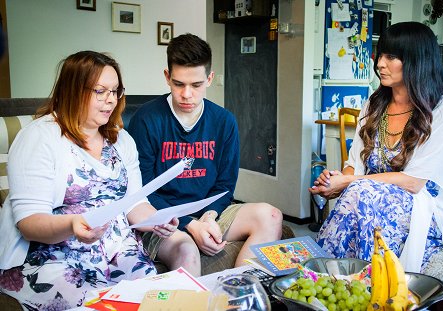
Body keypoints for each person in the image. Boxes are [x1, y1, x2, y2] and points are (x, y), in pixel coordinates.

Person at [0, 51, 178, 309]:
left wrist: (156, 219)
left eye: (115, 91)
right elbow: (29, 223)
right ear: (73, 90)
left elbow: (134, 204)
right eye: (100, 91)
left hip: (118, 250)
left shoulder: (122, 140)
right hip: (51, 257)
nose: (111, 100)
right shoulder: (38, 138)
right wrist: (74, 224)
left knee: (156, 301)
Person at [309, 22, 443, 273]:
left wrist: (351, 183)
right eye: (380, 54)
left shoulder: (441, 107)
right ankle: (336, 277)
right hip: (368, 201)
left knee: (363, 191)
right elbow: (355, 164)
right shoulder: (374, 104)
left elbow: (414, 182)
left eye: (391, 57)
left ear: (417, 60)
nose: (380, 63)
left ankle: (332, 275)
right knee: (362, 192)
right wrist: (337, 180)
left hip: (423, 206)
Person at [128, 33, 283, 277]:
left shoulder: (224, 121)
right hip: (165, 219)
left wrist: (209, 217)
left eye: (196, 85)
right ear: (167, 77)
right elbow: (143, 191)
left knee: (272, 215)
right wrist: (191, 224)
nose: (187, 94)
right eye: (179, 84)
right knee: (187, 250)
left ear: (209, 78)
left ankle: (238, 294)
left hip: (210, 212)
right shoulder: (146, 120)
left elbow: (224, 185)